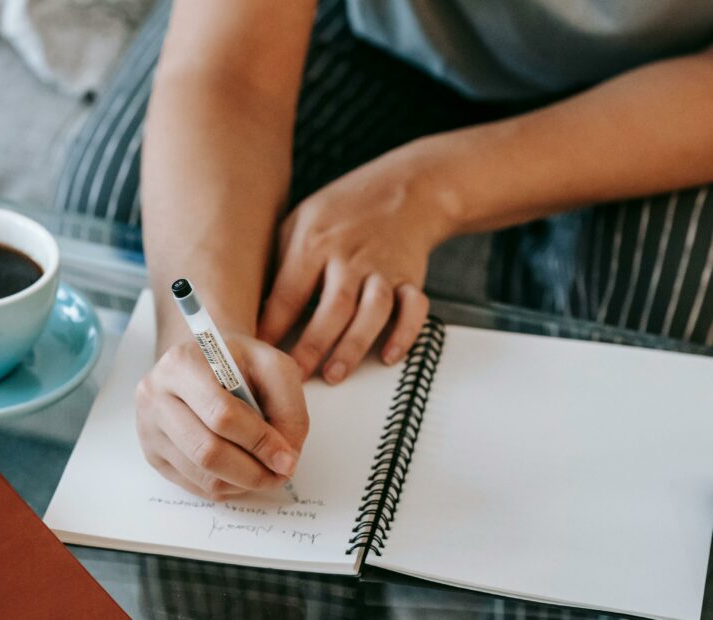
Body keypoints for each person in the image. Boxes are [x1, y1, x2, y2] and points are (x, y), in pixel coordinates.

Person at [57, 0, 713, 500]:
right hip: (381, 26)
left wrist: (431, 190)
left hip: (671, 78)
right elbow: (228, 66)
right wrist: (202, 344)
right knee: (124, 208)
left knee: (663, 312)